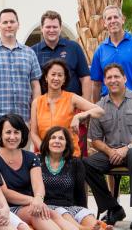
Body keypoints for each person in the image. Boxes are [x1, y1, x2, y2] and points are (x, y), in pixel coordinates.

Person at [84, 63, 132, 229]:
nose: (113, 80)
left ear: (124, 78)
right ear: (104, 81)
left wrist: (127, 148)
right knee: (85, 164)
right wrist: (110, 151)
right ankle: (113, 208)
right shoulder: (99, 106)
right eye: (109, 77)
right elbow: (95, 139)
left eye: (116, 76)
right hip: (113, 153)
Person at [0, 114, 74, 230]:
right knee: (37, 214)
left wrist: (38, 198)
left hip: (31, 205)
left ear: (22, 135)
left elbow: (38, 186)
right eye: (8, 132)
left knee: (52, 213)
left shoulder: (31, 157)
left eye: (16, 132)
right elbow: (5, 192)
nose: (12, 137)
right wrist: (33, 200)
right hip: (6, 208)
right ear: (0, 134)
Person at [0, 8, 41, 151]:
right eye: (5, 22)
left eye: (12, 22)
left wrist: (33, 115)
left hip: (23, 119)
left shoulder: (29, 53)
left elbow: (35, 86)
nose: (9, 25)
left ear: (18, 24)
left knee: (21, 164)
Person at [30, 11, 93, 156]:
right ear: (42, 28)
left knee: (77, 152)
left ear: (60, 27)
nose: (51, 30)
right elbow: (34, 83)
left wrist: (83, 110)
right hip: (45, 109)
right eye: (48, 27)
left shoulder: (73, 48)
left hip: (72, 107)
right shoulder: (33, 51)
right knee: (45, 151)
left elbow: (85, 78)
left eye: (55, 27)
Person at [29, 59, 104, 157]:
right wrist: (45, 152)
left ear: (64, 79)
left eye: (60, 75)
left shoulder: (71, 98)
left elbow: (100, 111)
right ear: (46, 77)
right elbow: (33, 133)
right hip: (44, 154)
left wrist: (79, 116)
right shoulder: (37, 102)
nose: (56, 78)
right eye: (53, 74)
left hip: (69, 155)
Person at [89, 5, 132, 101]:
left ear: (122, 20)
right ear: (104, 23)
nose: (113, 21)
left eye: (116, 17)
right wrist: (96, 109)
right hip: (108, 106)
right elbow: (96, 84)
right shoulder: (100, 50)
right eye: (109, 18)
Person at [40, 126, 100, 230]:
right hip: (48, 208)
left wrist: (83, 210)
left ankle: (98, 227)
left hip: (71, 207)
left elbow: (80, 193)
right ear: (47, 142)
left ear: (67, 143)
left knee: (88, 216)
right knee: (62, 212)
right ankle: (81, 228)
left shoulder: (75, 163)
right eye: (53, 137)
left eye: (61, 138)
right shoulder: (37, 161)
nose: (57, 141)